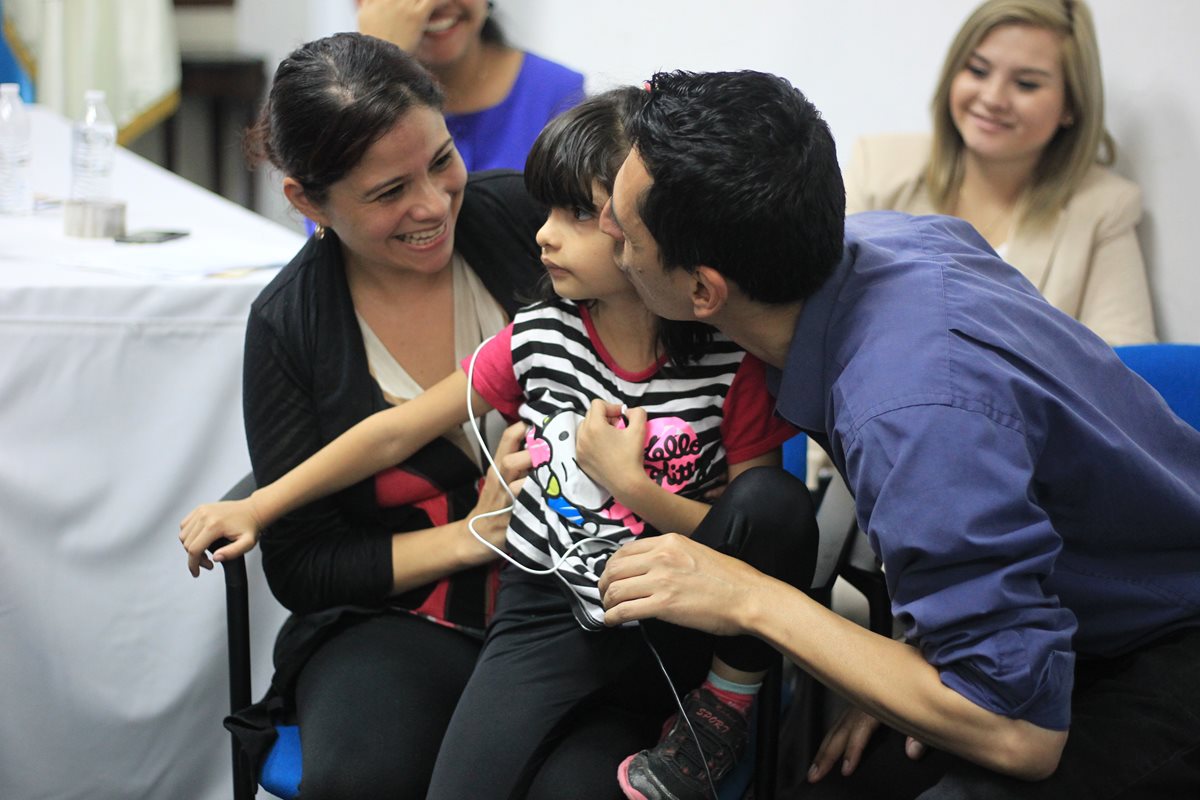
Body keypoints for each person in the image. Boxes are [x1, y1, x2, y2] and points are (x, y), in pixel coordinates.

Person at [182, 86, 815, 800]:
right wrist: (261, 506)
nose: (542, 234)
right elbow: (396, 430)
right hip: (544, 608)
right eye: (547, 210)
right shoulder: (539, 336)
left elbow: (745, 544)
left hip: (663, 618)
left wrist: (633, 487)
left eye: (577, 214)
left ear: (650, 229)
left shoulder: (730, 366)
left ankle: (718, 716)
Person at [595, 68, 1200, 798]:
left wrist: (746, 595)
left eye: (622, 232)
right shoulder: (891, 240)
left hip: (1163, 645)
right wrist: (910, 662)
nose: (606, 238)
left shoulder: (908, 414)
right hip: (1057, 616)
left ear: (703, 290)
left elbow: (1021, 731)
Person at [180, 32, 576, 799]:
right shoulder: (290, 326)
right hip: (396, 621)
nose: (432, 204)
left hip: (571, 600)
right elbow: (304, 565)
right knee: (368, 777)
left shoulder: (528, 223)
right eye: (389, 192)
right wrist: (467, 542)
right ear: (306, 201)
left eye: (440, 160)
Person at [844, 0, 1155, 346]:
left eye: (1026, 84)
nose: (992, 98)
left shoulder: (1104, 207)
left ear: (1071, 105)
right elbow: (821, 314)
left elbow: (1129, 364)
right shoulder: (877, 166)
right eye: (977, 71)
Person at [357, 0, 585, 172]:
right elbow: (328, 221)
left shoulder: (556, 94)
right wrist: (374, 64)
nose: (436, 4)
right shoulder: (334, 94)